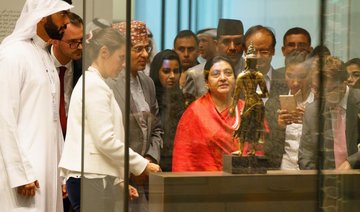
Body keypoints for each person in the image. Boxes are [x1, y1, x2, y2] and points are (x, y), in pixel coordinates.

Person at [58, 27, 161, 212]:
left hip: (93, 177)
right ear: (104, 52)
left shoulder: (96, 83)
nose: (123, 64)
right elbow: (105, 140)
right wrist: (142, 165)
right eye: (121, 57)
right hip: (89, 178)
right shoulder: (94, 85)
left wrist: (117, 180)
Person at [0, 0, 73, 211]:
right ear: (43, 15)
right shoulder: (12, 54)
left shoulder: (45, 57)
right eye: (62, 15)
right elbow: (4, 117)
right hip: (24, 176)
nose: (67, 21)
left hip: (46, 172)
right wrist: (20, 174)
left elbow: (53, 122)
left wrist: (61, 174)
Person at [109, 20, 163, 212]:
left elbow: (157, 128)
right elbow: (108, 136)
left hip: (146, 173)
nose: (146, 55)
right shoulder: (109, 82)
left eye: (147, 48)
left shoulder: (147, 82)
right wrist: (135, 167)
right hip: (118, 176)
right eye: (138, 49)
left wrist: (149, 159)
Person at [172, 56, 245, 171]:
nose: (223, 78)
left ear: (235, 79)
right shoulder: (195, 113)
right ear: (206, 82)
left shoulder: (246, 110)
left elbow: (257, 149)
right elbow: (183, 157)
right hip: (205, 183)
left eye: (228, 73)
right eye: (216, 74)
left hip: (242, 181)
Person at [298, 55, 360, 170]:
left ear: (343, 83)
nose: (320, 96)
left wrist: (351, 162)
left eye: (327, 90)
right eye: (316, 89)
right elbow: (305, 157)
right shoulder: (312, 111)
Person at [265, 50, 314, 169]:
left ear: (310, 75)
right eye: (290, 76)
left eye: (302, 76)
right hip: (283, 169)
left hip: (311, 169)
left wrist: (310, 122)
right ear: (284, 73)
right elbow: (266, 148)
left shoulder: (319, 103)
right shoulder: (273, 104)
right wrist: (279, 126)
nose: (295, 82)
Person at [183, 19, 245, 102]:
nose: (232, 47)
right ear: (217, 44)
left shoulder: (253, 72)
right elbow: (188, 111)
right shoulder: (196, 74)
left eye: (238, 42)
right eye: (226, 42)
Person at [230, 43, 269, 156]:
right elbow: (265, 94)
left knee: (247, 127)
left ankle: (245, 150)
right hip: (257, 103)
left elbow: (236, 95)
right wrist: (256, 94)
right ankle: (249, 150)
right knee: (251, 127)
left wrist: (232, 107)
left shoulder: (243, 76)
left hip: (249, 103)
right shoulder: (258, 75)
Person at [149, 49, 185, 171]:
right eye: (166, 71)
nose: (172, 76)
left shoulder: (186, 101)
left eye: (176, 71)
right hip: (153, 163)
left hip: (179, 163)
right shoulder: (148, 101)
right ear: (156, 73)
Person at [50, 11, 83, 137]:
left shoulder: (85, 68)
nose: (80, 47)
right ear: (55, 41)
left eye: (82, 40)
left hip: (74, 139)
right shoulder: (38, 62)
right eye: (72, 42)